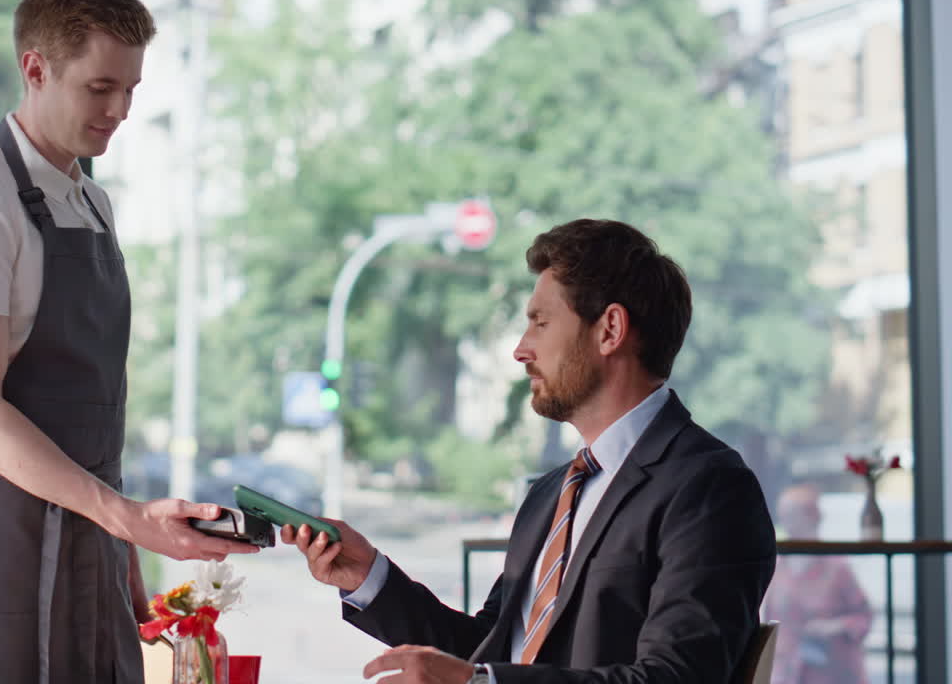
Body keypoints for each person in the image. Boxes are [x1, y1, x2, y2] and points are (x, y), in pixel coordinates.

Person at [0, 0, 257, 684]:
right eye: (100, 88)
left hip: (86, 536)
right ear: (36, 69)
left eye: (131, 89)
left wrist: (124, 543)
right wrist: (124, 518)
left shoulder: (92, 202)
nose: (120, 109)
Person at [283, 219, 777, 684]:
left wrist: (481, 681)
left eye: (540, 322)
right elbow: (490, 651)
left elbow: (675, 678)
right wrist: (370, 576)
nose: (521, 349)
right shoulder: (551, 494)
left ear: (610, 330)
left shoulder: (708, 488)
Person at [766, 483, 872, 684]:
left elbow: (864, 617)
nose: (785, 522)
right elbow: (769, 621)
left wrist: (832, 627)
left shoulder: (837, 568)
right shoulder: (778, 565)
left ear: (812, 516)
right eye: (782, 515)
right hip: (787, 673)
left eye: (791, 515)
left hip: (831, 672)